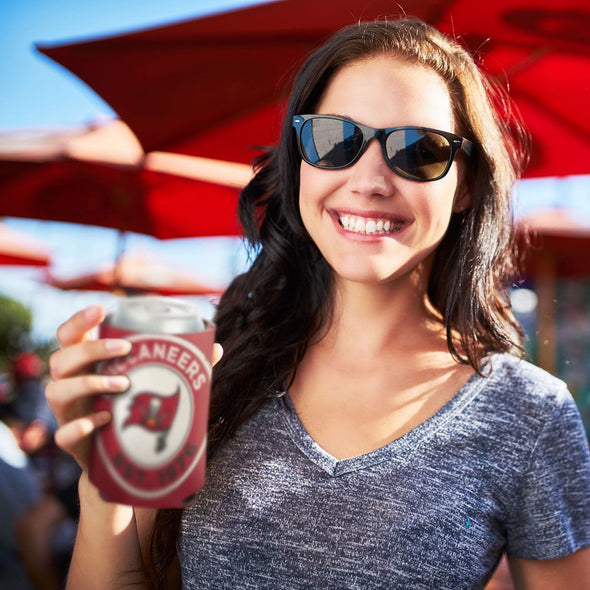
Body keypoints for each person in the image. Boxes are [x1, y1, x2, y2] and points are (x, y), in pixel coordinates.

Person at [46, 17, 590, 590]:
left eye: (420, 150)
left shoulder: (529, 415)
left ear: (467, 186)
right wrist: (106, 485)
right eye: (335, 140)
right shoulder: (203, 368)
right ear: (299, 161)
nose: (370, 179)